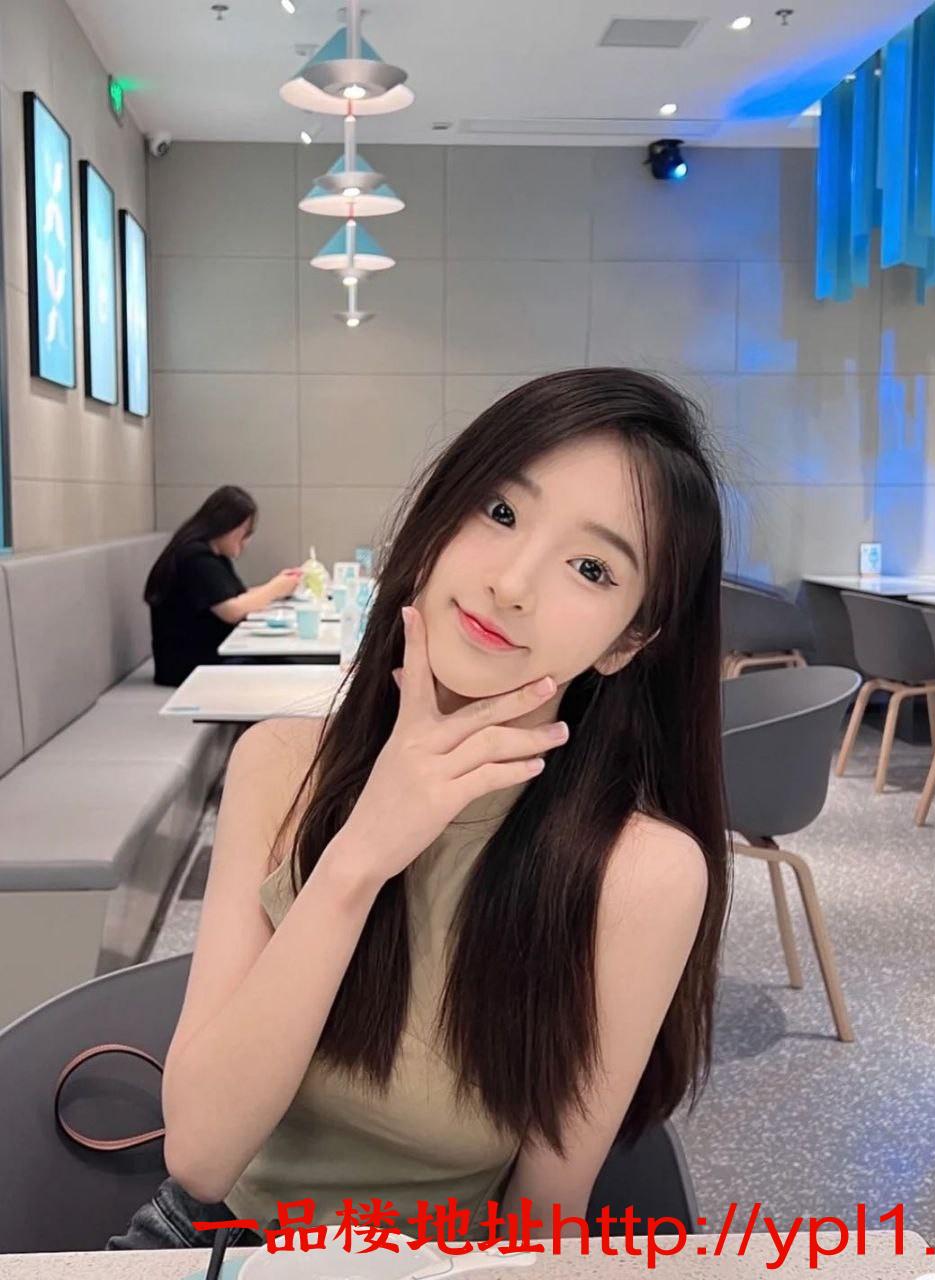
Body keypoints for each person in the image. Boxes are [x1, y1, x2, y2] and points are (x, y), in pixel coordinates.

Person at [109, 368, 732, 1251]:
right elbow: (203, 1158)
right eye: (500, 511)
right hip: (225, 1244)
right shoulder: (282, 767)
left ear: (628, 641)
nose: (512, 582)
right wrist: (360, 856)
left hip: (447, 1264)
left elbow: (542, 1221)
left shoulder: (639, 873)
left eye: (592, 568)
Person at [144, 486, 302, 687]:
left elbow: (237, 596)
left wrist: (281, 587)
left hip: (206, 656)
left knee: (285, 666)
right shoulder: (195, 558)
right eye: (245, 533)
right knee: (287, 673)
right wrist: (275, 588)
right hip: (188, 667)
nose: (246, 541)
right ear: (226, 525)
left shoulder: (211, 555)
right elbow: (232, 610)